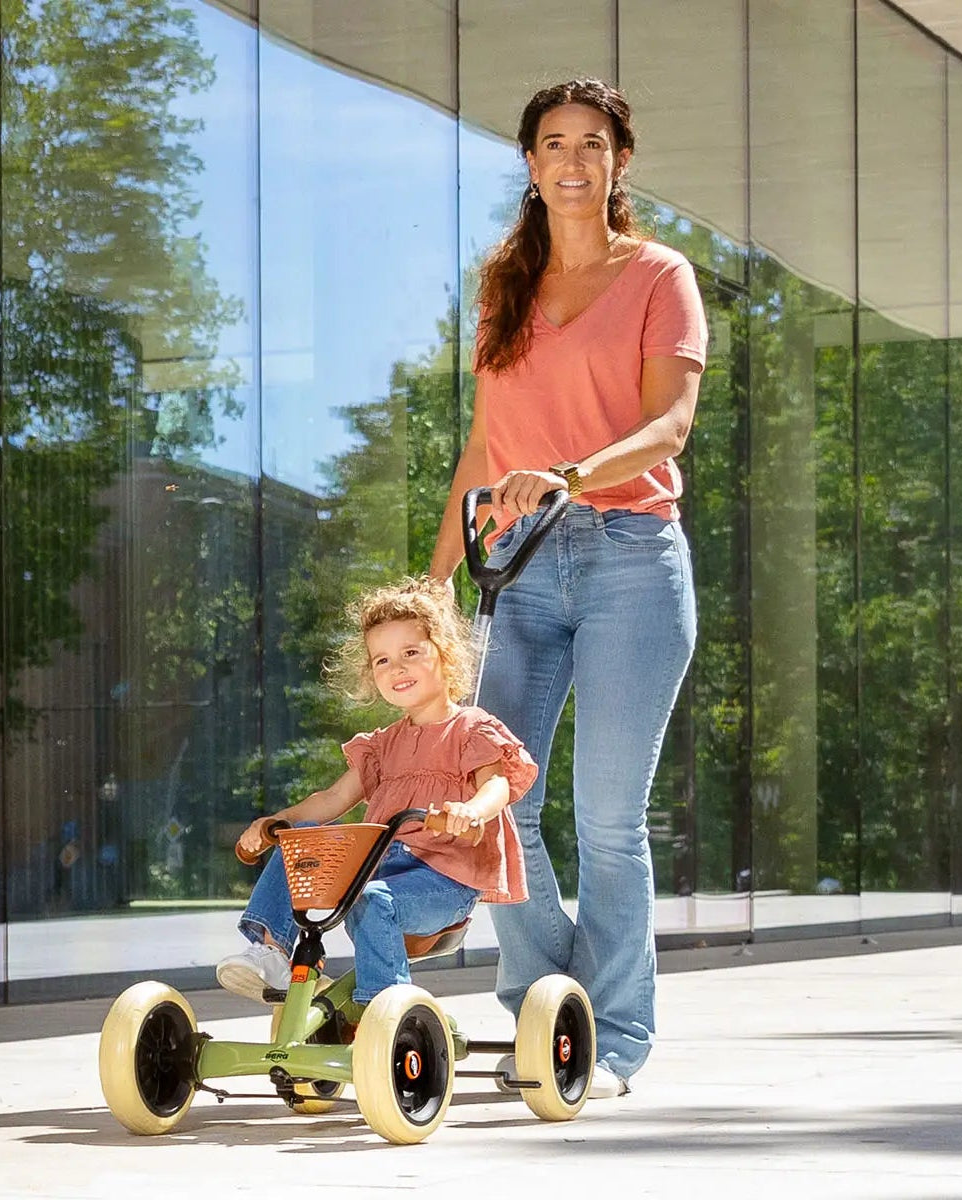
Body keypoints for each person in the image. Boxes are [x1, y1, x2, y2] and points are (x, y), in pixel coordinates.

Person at [428, 78, 707, 1098]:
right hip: (520, 567)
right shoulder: (505, 282)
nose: (575, 159)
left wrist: (573, 475)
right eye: (555, 143)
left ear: (619, 162)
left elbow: (668, 426)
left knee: (605, 818)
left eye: (595, 142)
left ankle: (617, 1041)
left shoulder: (661, 275)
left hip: (631, 557)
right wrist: (433, 583)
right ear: (533, 165)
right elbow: (482, 445)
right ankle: (554, 1013)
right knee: (489, 800)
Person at [217, 576, 538, 1019]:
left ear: (445, 655)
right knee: (303, 839)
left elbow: (496, 784)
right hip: (378, 870)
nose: (396, 668)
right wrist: (278, 821)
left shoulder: (471, 729)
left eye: (410, 653)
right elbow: (332, 798)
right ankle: (273, 951)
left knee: (373, 898)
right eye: (382, 660)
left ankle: (384, 1011)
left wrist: (472, 810)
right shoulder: (383, 745)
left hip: (443, 881)